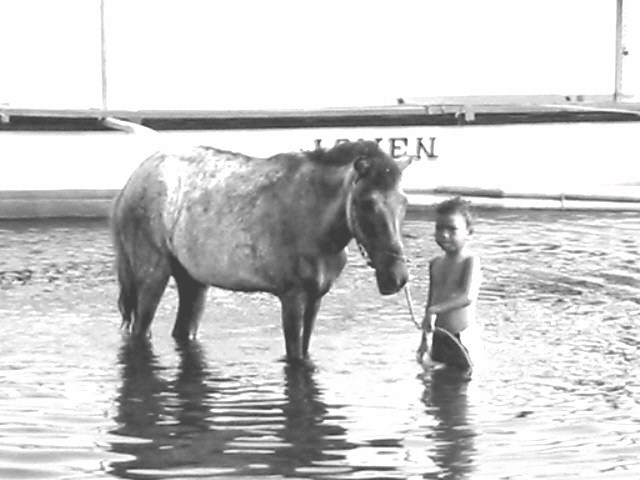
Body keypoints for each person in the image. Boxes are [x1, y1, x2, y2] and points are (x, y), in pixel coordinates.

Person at [416, 196, 482, 372]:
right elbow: (431, 301)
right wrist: (424, 339)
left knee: (464, 381)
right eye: (439, 228)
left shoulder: (470, 260)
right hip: (439, 336)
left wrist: (434, 311)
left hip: (462, 337)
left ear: (469, 232)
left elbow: (466, 296)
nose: (444, 235)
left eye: (452, 229)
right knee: (435, 386)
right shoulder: (435, 263)